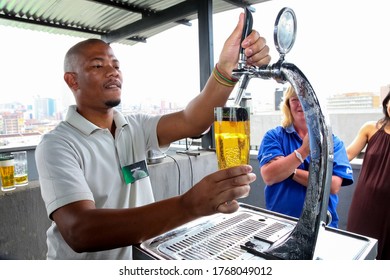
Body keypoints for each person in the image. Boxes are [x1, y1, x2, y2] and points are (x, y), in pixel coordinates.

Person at [35, 13, 271, 259]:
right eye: (97, 65)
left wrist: (225, 69)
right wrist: (189, 205)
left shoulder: (133, 127)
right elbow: (79, 230)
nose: (112, 72)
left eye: (116, 65)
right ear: (72, 80)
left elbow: (193, 121)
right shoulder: (57, 145)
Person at [257, 86, 353, 228]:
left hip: (322, 225)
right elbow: (270, 175)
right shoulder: (274, 136)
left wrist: (289, 170)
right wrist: (303, 151)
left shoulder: (333, 142)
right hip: (280, 224)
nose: (301, 103)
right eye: (295, 99)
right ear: (288, 105)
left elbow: (333, 185)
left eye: (307, 99)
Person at [346, 91, 390, 260]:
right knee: (360, 250)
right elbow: (347, 154)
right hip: (366, 203)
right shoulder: (371, 128)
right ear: (386, 103)